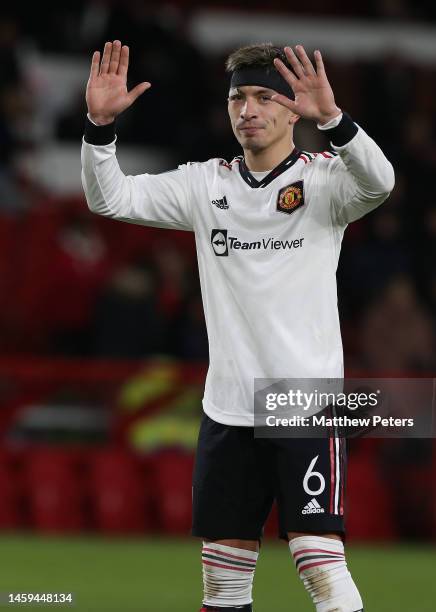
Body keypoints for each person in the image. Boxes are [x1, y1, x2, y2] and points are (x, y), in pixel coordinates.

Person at [82, 39, 394, 612]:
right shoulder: (207, 184)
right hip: (227, 407)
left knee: (318, 561)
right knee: (224, 581)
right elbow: (111, 199)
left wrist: (337, 121)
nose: (247, 109)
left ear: (292, 109)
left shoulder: (324, 184)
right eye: (237, 98)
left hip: (304, 401)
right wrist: (100, 129)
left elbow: (380, 183)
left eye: (263, 97)